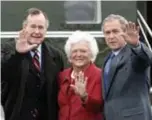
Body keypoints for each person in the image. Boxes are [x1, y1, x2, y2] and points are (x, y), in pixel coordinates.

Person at [1, 8, 64, 120]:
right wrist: (18, 54)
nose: (37, 31)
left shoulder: (56, 55)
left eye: (41, 27)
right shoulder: (8, 50)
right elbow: (4, 75)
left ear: (46, 30)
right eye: (33, 26)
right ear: (24, 28)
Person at [102, 14, 152, 120]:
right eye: (107, 33)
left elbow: (146, 58)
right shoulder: (107, 59)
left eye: (115, 31)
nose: (111, 36)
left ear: (125, 32)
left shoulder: (134, 53)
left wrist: (136, 45)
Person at [58, 30, 104, 120]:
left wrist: (84, 96)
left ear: (91, 54)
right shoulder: (62, 76)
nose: (78, 55)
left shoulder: (99, 75)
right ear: (69, 55)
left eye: (83, 51)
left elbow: (100, 107)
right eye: (74, 51)